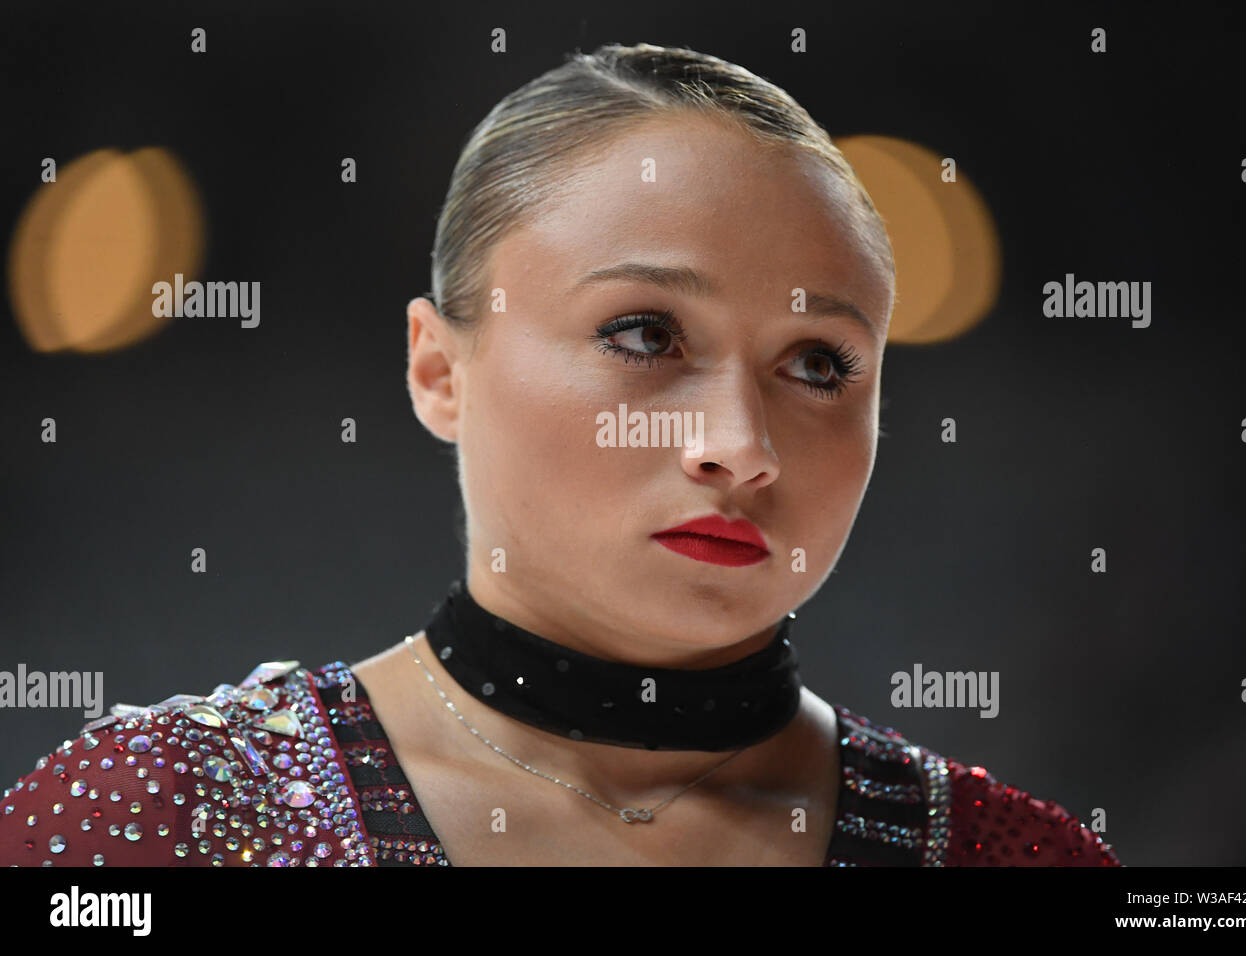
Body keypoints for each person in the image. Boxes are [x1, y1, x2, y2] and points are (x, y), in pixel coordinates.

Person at [0, 42, 1119, 867]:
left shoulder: (1018, 855)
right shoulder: (154, 819)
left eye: (819, 363)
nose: (738, 447)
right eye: (643, 334)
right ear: (438, 369)